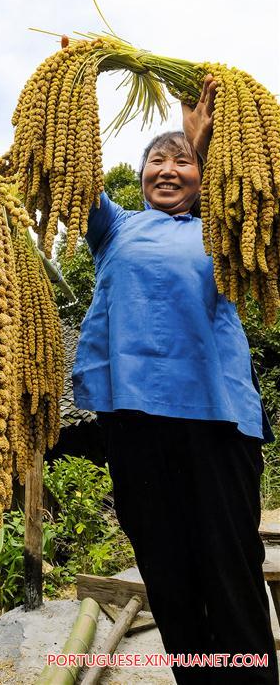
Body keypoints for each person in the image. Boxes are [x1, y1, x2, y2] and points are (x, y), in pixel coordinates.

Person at [72, 75, 279, 684]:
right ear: (138, 176)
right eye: (155, 160)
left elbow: (252, 202)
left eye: (181, 161)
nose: (167, 169)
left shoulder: (219, 228)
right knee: (167, 569)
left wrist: (205, 140)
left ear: (200, 176)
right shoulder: (115, 230)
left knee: (230, 566)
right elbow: (76, 178)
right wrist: (77, 87)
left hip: (218, 420)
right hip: (134, 420)